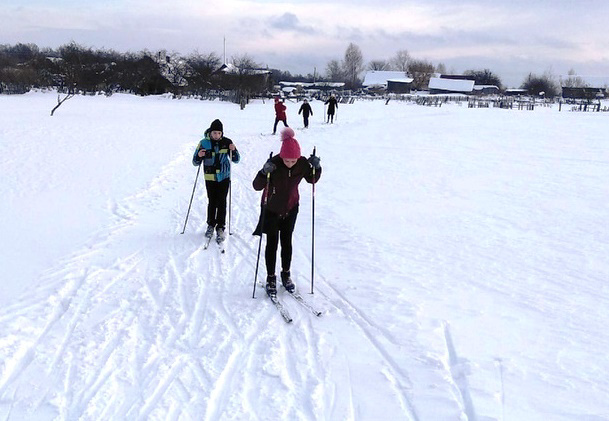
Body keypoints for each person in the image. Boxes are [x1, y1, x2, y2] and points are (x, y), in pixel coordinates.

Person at [253, 127, 321, 297]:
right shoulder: (274, 163)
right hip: (271, 209)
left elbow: (312, 179)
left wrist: (316, 167)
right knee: (272, 243)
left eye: (293, 161)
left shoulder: (302, 163)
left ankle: (286, 274)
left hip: (291, 209)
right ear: (282, 156)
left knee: (287, 242)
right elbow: (257, 186)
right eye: (287, 160)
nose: (290, 163)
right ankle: (270, 277)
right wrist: (263, 172)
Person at [192, 119, 240, 242]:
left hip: (224, 177)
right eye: (214, 133)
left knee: (222, 201)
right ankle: (210, 224)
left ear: (222, 133)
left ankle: (221, 227)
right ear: (210, 132)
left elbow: (236, 159)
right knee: (212, 201)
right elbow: (195, 162)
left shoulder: (227, 142)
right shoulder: (203, 143)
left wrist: (233, 150)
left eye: (219, 133)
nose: (217, 135)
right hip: (210, 177)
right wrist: (199, 156)